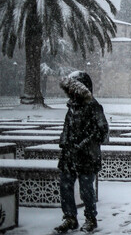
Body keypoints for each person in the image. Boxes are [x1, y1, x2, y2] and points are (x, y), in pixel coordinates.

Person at [54, 71, 109, 234]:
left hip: (87, 156)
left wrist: (84, 143)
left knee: (86, 190)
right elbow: (67, 127)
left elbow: (103, 131)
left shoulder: (93, 106)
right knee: (65, 186)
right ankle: (70, 218)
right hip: (69, 156)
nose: (70, 92)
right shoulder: (71, 106)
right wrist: (64, 141)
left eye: (73, 89)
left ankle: (91, 219)